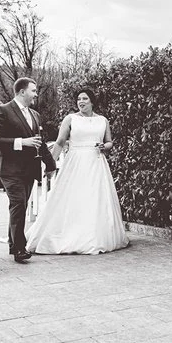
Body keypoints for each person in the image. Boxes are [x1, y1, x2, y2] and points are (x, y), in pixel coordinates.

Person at [26, 88, 130, 255]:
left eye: (85, 99)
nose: (81, 102)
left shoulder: (103, 120)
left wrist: (105, 146)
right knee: (73, 196)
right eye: (79, 99)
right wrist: (50, 164)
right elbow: (60, 142)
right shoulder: (70, 119)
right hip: (75, 163)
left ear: (92, 102)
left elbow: (109, 142)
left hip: (96, 163)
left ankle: (94, 235)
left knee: (95, 198)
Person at [0, 77, 56, 262]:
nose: (36, 94)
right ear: (22, 92)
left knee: (20, 207)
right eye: (33, 90)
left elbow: (39, 142)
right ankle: (20, 249)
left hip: (29, 170)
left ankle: (13, 245)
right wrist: (22, 142)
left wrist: (50, 164)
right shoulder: (3, 110)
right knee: (18, 204)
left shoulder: (35, 115)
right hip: (9, 170)